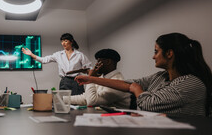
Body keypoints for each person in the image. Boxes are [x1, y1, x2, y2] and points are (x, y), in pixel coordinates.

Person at [75, 33, 212, 116]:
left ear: (169, 53)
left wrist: (136, 89)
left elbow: (149, 104)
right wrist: (91, 78)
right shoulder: (160, 76)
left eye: (156, 51)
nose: (153, 57)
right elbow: (129, 83)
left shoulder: (191, 83)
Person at [22, 33, 92, 95]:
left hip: (77, 81)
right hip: (64, 81)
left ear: (71, 41)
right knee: (64, 102)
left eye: (65, 41)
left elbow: (89, 68)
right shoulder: (58, 55)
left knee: (79, 101)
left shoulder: (80, 55)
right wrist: (31, 54)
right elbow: (44, 60)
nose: (63, 43)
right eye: (62, 41)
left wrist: (90, 78)